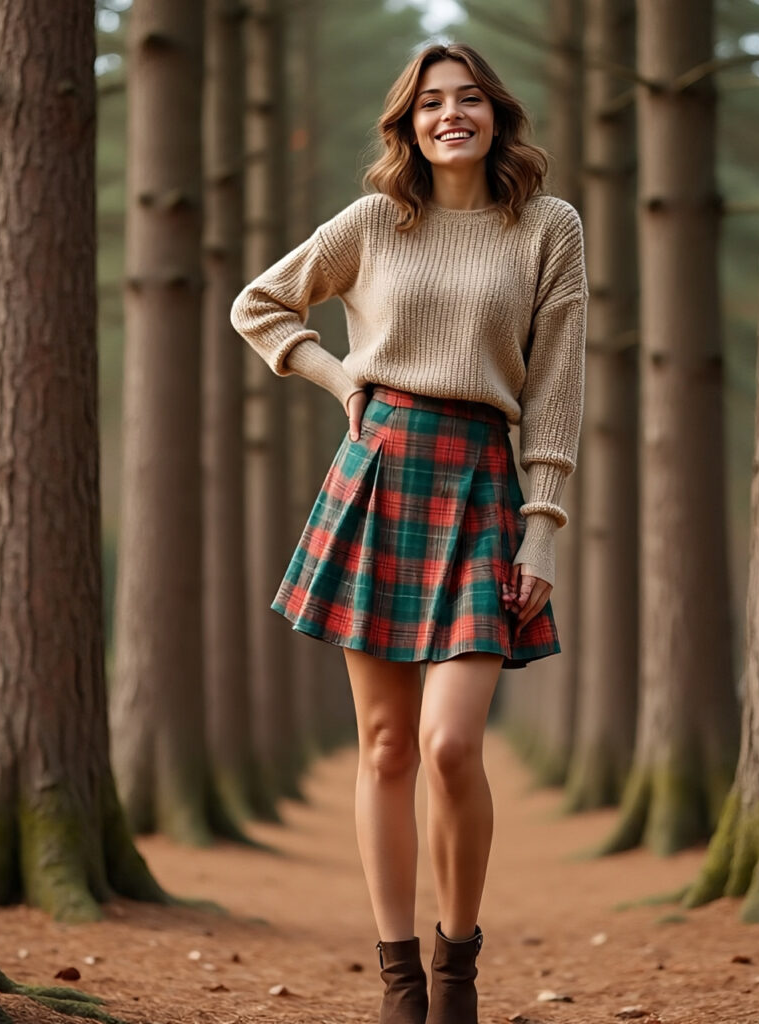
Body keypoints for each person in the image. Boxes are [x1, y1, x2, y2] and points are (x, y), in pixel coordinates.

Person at [230, 40, 587, 1024]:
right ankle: (398, 979)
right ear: (408, 122)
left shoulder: (547, 228)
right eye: (431, 102)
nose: (450, 115)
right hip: (379, 474)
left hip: (481, 484)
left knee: (449, 744)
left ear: (495, 115)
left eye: (468, 98)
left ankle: (457, 963)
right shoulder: (378, 222)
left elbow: (555, 388)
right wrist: (335, 373)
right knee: (386, 743)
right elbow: (257, 302)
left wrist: (541, 527)